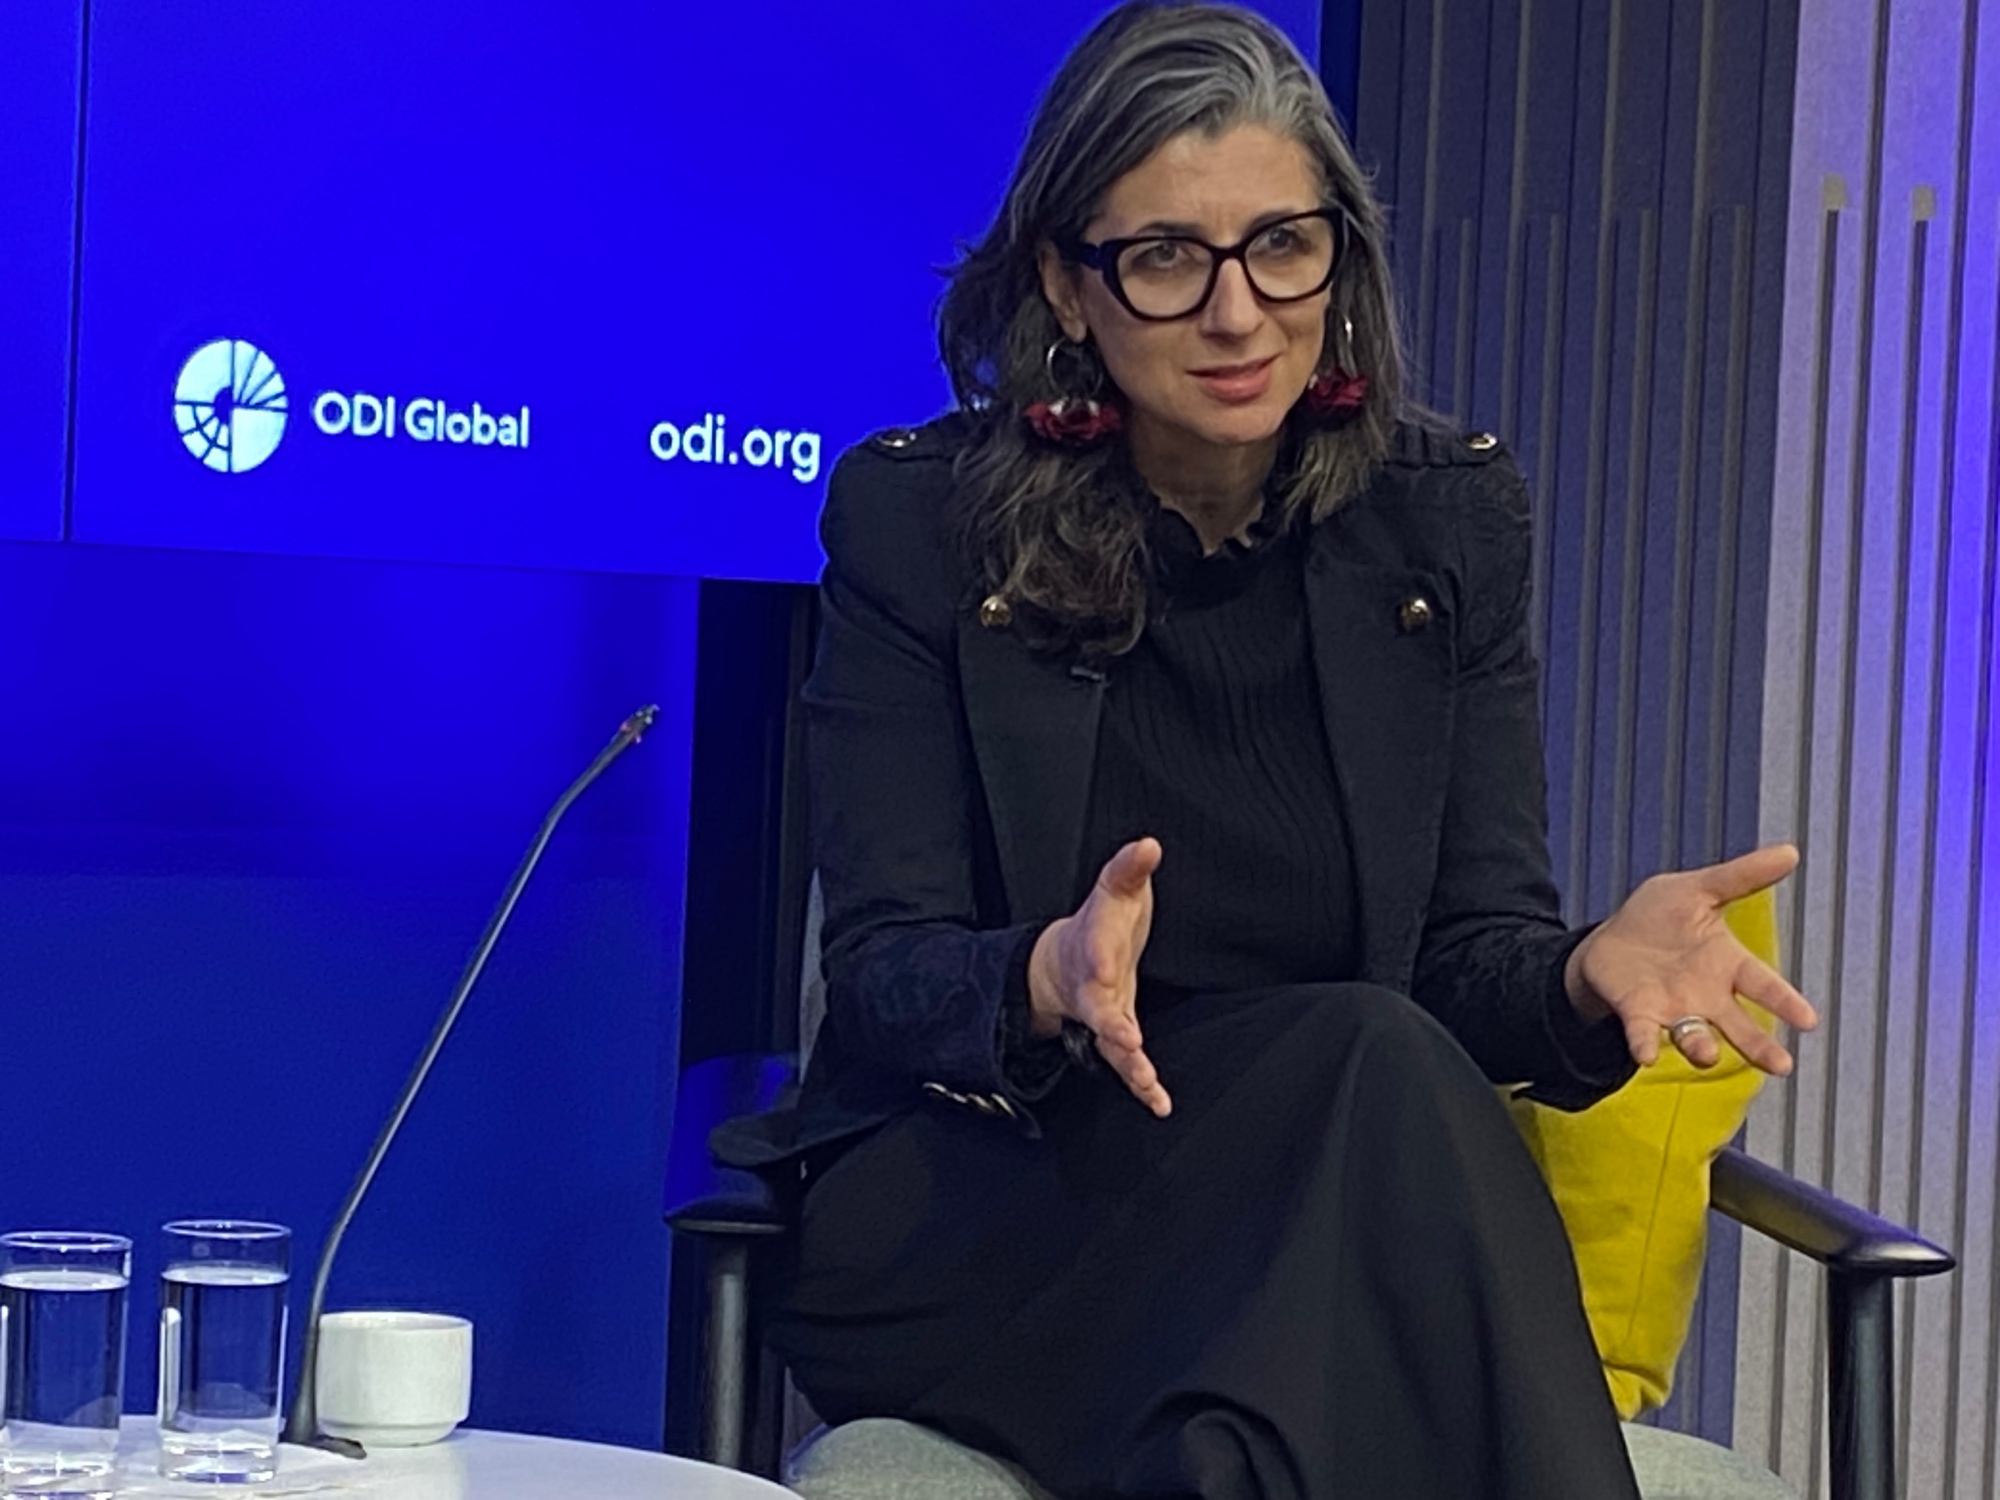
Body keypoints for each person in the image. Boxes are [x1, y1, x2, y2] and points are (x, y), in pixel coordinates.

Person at [712, 4, 1817, 1496]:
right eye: (1169, 258)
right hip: (992, 1198)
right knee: (1369, 1062)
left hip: (1317, 1218)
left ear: (1338, 261)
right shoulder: (922, 524)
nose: (1239, 314)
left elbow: (1464, 961)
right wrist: (1044, 973)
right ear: (1067, 284)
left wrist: (1576, 980)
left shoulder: (1442, 523)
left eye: (1282, 246)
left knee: (1254, 1406)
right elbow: (886, 973)